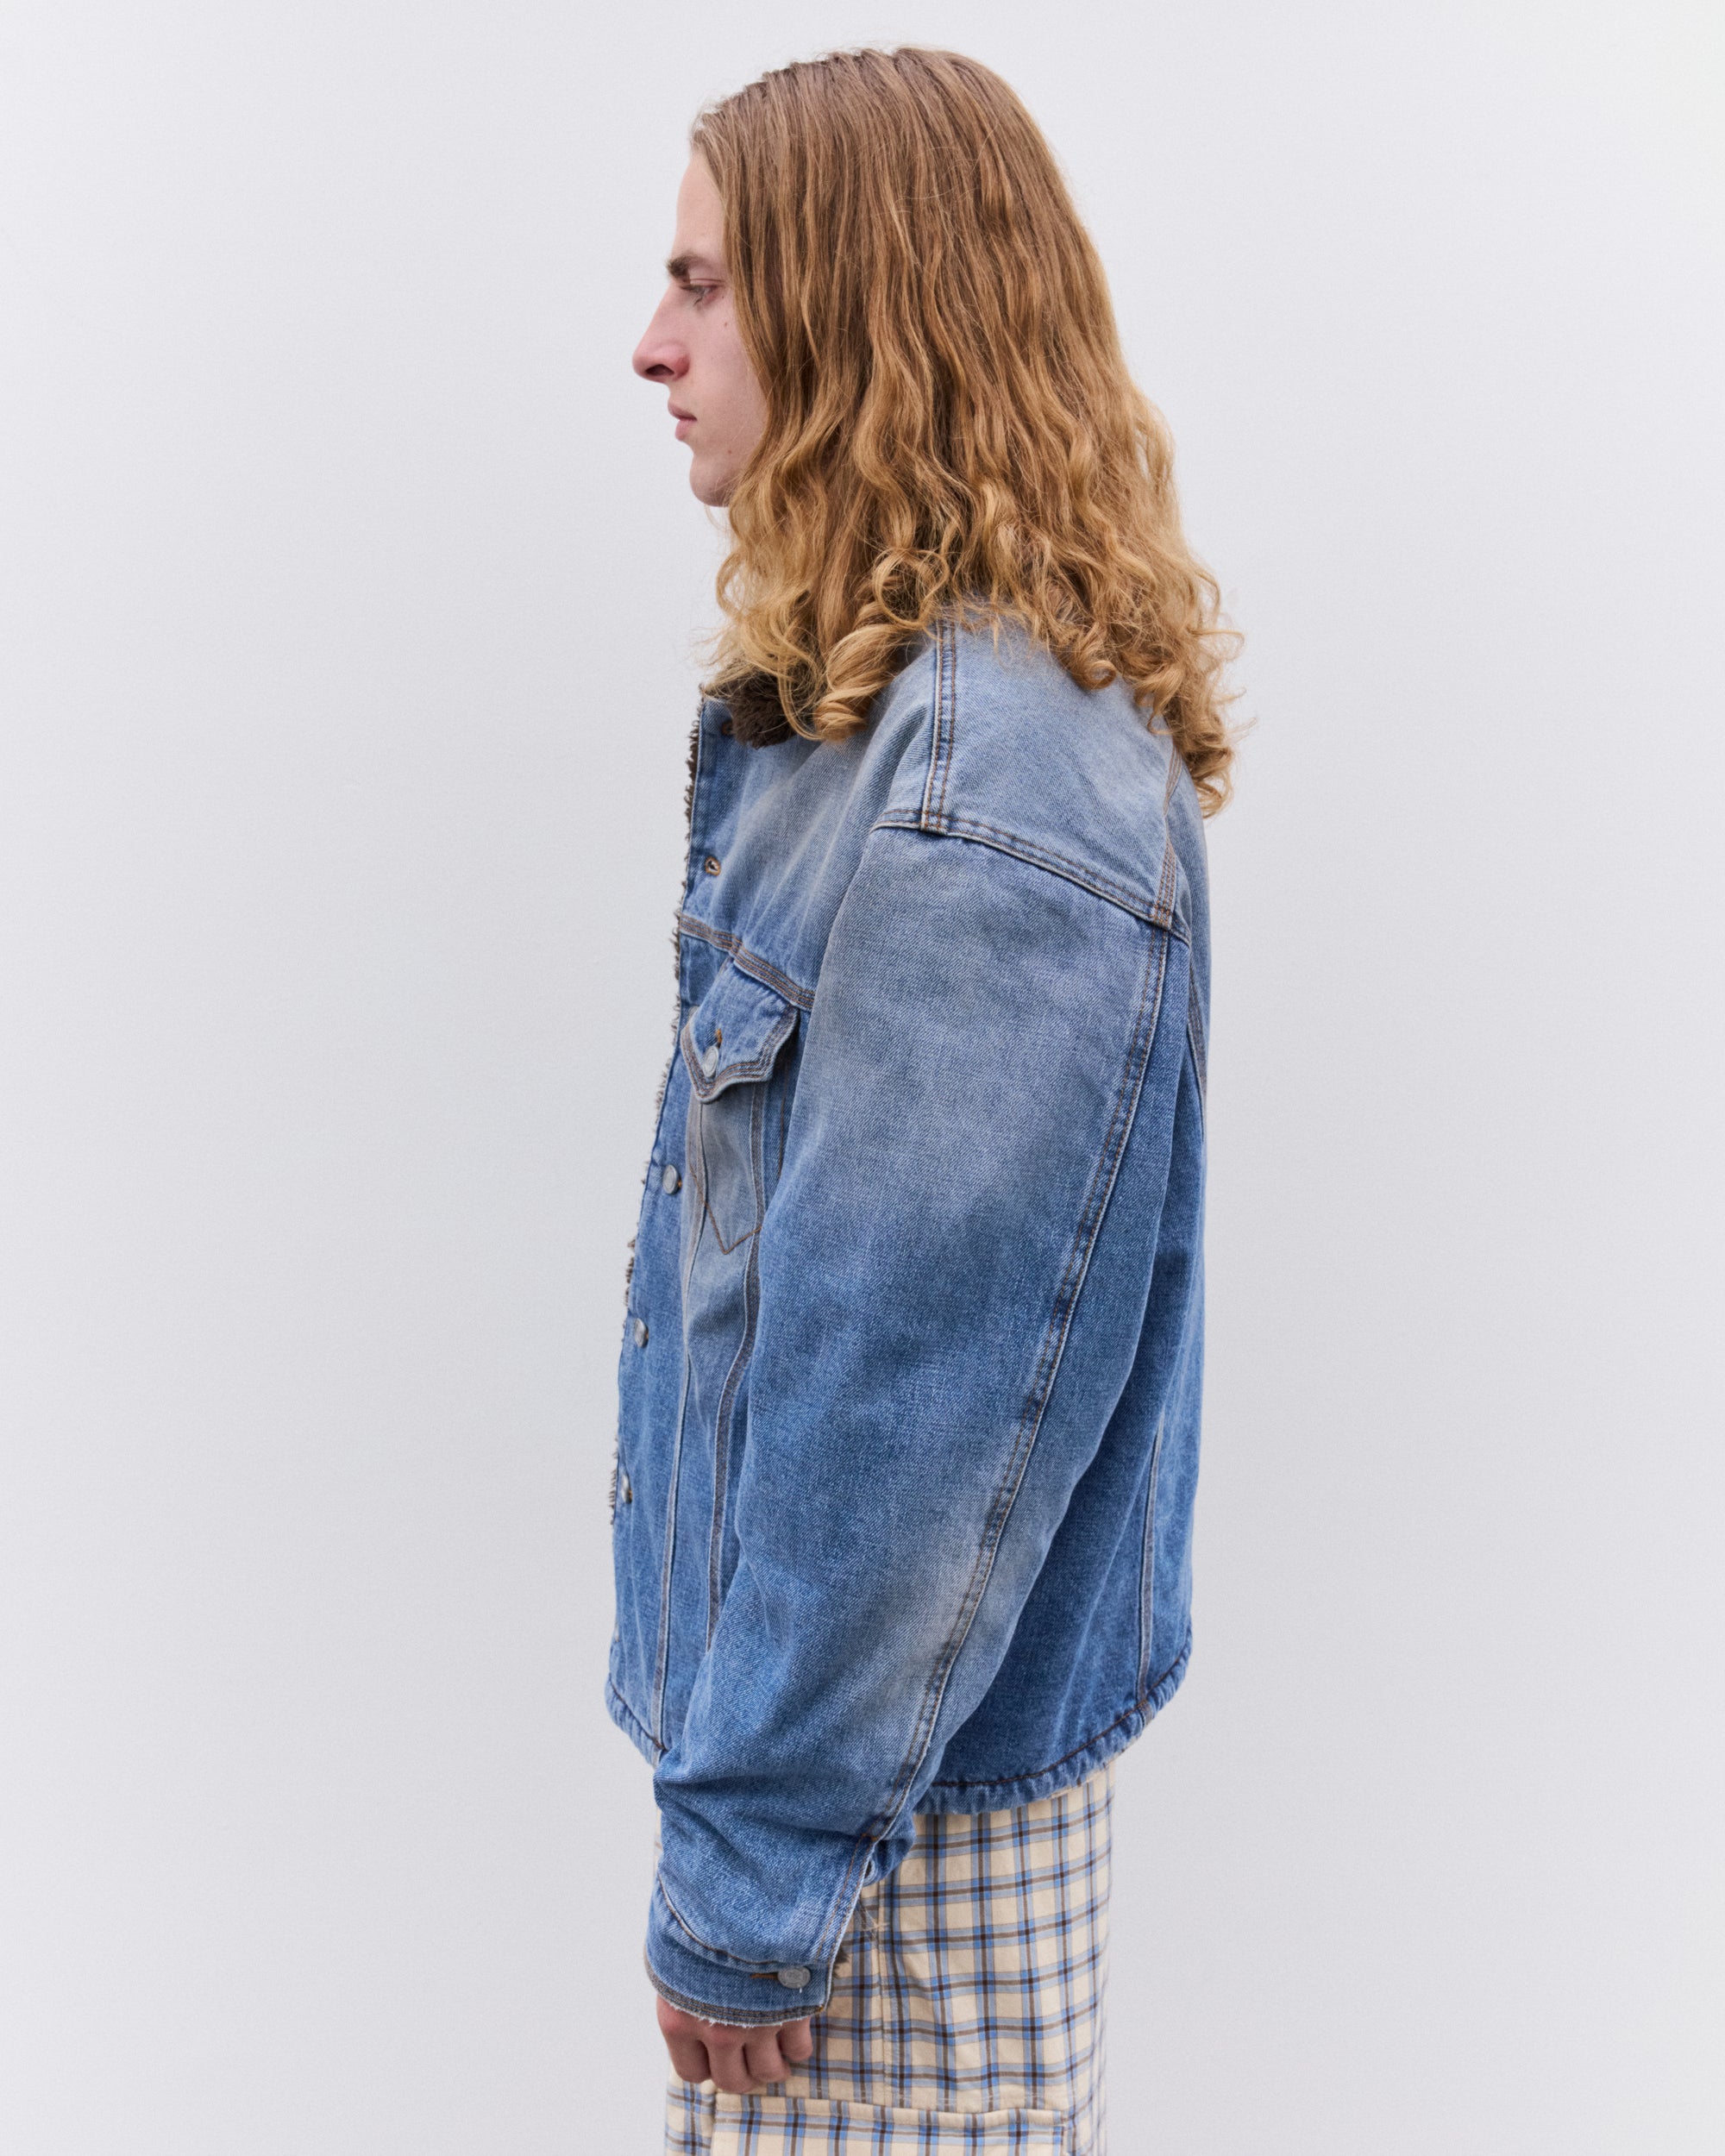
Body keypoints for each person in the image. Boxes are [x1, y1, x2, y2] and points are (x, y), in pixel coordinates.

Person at [618, 47, 1234, 2154]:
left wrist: (754, 1870)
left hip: (887, 1852)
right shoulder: (901, 733)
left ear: (856, 312)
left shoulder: (982, 792)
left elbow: (909, 1406)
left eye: (705, 283)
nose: (652, 344)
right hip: (871, 1794)